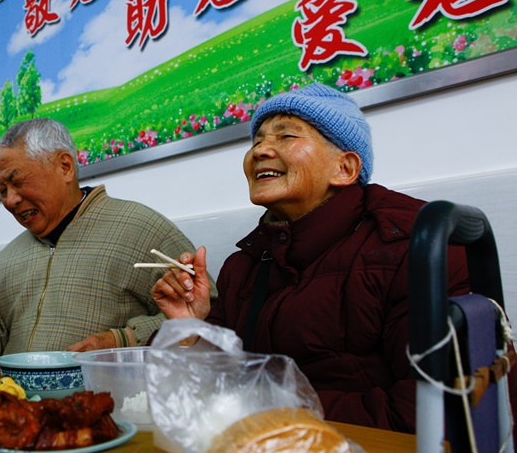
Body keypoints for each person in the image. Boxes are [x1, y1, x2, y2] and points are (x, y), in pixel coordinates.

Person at [151, 83, 483, 433]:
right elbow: (213, 390)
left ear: (345, 168)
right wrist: (190, 328)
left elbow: (437, 413)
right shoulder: (246, 264)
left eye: (286, 136)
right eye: (257, 140)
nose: (261, 150)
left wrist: (267, 405)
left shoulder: (416, 247)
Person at [0, 118, 212, 359]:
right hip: (12, 412)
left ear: (65, 167)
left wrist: (124, 340)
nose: (11, 200)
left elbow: (210, 312)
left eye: (18, 181)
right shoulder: (2, 264)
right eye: (1, 189)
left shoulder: (141, 229)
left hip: (106, 415)